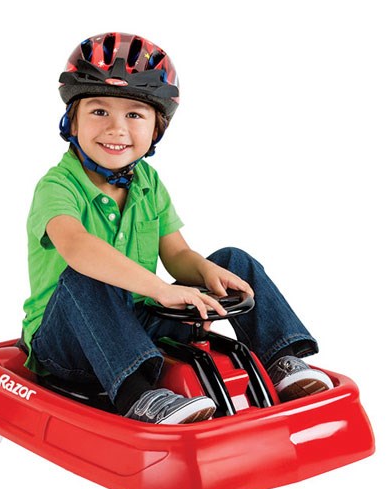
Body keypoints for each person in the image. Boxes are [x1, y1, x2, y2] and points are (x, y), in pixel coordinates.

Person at [22, 32, 333, 424]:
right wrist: (160, 289)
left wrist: (204, 272)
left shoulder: (148, 184)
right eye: (99, 112)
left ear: (157, 128)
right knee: (85, 279)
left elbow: (177, 254)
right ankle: (139, 396)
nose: (116, 129)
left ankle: (282, 362)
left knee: (233, 259)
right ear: (72, 120)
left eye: (134, 115)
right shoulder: (57, 187)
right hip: (67, 343)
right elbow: (78, 247)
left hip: (140, 324)